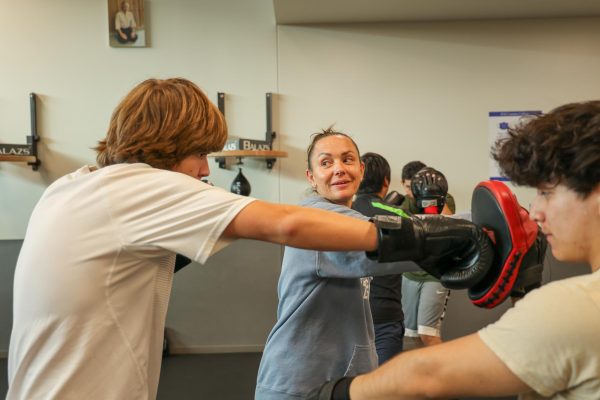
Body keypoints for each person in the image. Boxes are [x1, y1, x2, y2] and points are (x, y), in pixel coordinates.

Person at [6, 78, 489, 400]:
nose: (204, 169)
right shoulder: (143, 187)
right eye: (200, 154)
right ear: (171, 146)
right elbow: (287, 224)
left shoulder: (75, 186)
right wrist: (435, 239)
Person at [309, 100, 600, 399]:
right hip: (363, 331)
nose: (536, 210)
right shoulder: (572, 306)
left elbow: (426, 375)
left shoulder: (575, 306)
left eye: (546, 192)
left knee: (424, 333)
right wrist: (522, 294)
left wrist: (336, 394)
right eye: (326, 163)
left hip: (365, 342)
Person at [255, 129, 492, 400]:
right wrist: (482, 223)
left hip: (338, 379)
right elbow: (396, 239)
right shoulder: (317, 218)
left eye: (347, 160)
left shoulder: (349, 215)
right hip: (300, 383)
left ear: (361, 168)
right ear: (312, 177)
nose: (339, 169)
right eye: (326, 163)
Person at [352, 152, 409, 364]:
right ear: (386, 181)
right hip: (385, 316)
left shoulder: (340, 212)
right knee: (386, 387)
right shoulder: (398, 214)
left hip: (348, 318)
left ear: (358, 177)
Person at [400, 165, 454, 347]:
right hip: (410, 273)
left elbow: (447, 222)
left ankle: (447, 375)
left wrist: (434, 195)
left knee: (427, 333)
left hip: (435, 274)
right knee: (410, 336)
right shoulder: (406, 202)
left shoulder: (446, 199)